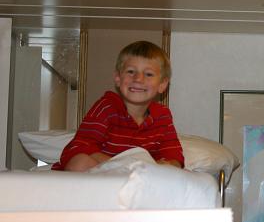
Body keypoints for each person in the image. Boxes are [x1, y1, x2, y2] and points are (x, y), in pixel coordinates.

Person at [53, 40, 184, 171]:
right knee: (80, 162)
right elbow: (81, 146)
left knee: (176, 171)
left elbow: (174, 156)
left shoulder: (162, 116)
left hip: (138, 174)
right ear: (118, 78)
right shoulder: (107, 107)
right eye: (131, 72)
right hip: (103, 171)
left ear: (162, 85)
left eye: (148, 74)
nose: (138, 79)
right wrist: (122, 165)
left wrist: (166, 165)